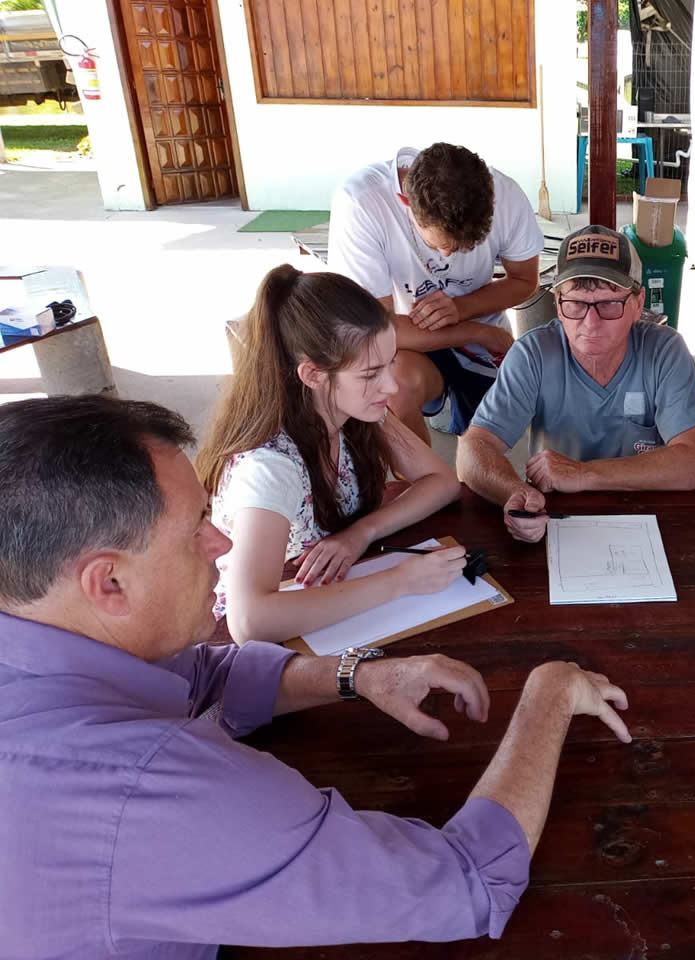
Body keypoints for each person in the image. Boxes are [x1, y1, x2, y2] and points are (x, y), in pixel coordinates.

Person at [0, 395, 632, 958]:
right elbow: (465, 884)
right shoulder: (143, 790)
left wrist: (355, 674)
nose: (221, 542)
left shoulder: (44, 636)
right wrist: (548, 693)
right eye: (195, 528)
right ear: (108, 581)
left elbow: (195, 674)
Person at [196, 265, 462, 645]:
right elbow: (249, 621)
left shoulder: (353, 410)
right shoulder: (269, 466)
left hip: (333, 595)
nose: (390, 385)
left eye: (390, 363)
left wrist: (361, 533)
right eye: (371, 373)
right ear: (313, 375)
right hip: (270, 642)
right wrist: (400, 581)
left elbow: (442, 482)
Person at [457, 224, 695, 543]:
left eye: (608, 304)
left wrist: (582, 474)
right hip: (553, 517)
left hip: (644, 512)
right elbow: (473, 449)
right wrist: (514, 492)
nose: (590, 324)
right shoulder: (534, 353)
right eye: (576, 304)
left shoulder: (665, 350)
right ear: (557, 304)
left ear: (637, 303)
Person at [328, 142, 545, 443]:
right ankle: (428, 483)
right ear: (406, 203)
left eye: (464, 247)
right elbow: (373, 329)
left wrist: (461, 308)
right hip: (409, 338)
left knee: (481, 449)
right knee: (397, 385)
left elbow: (525, 280)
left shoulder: (507, 196)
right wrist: (473, 331)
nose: (447, 255)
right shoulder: (362, 203)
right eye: (437, 244)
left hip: (483, 338)